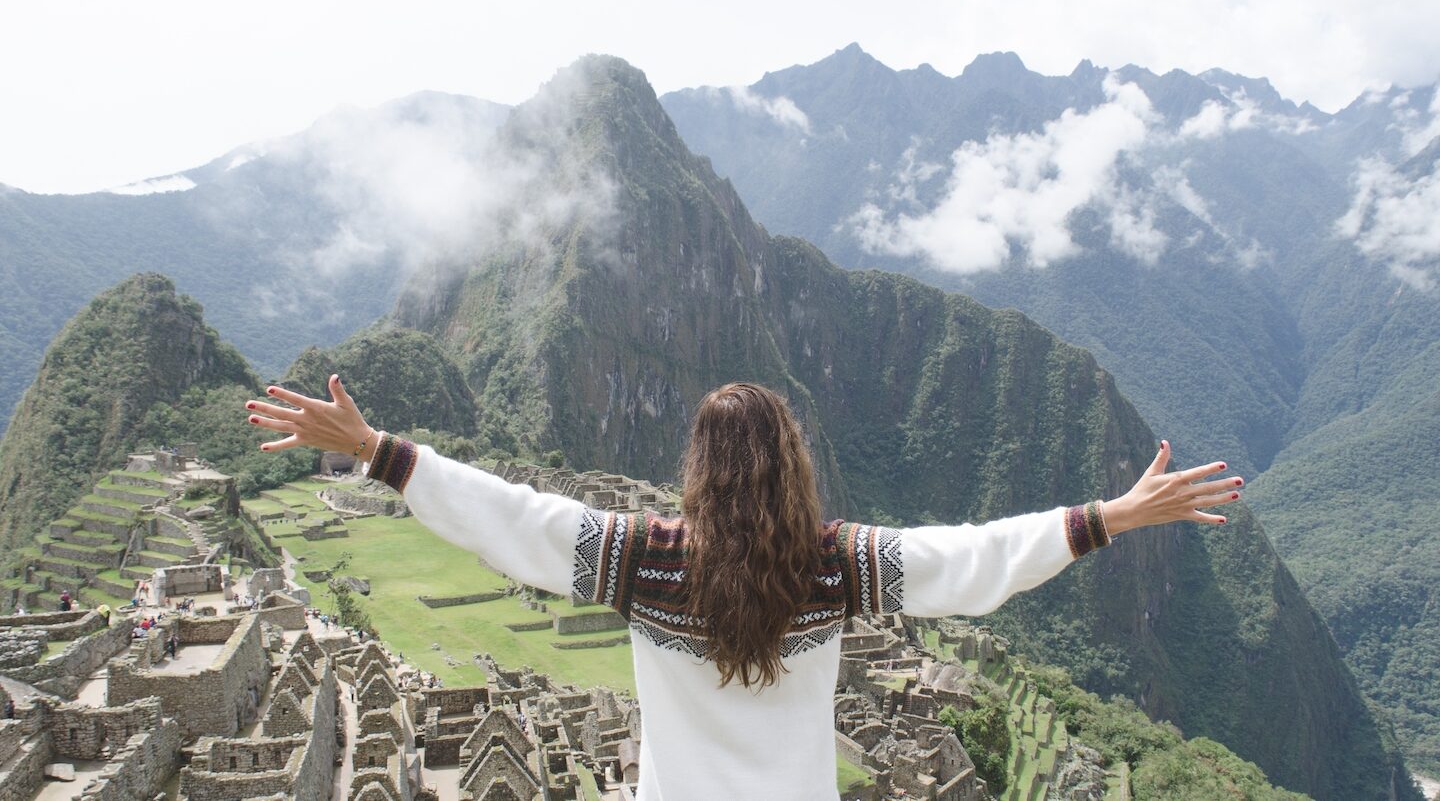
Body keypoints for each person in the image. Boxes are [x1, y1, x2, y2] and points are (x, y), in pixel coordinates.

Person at [246, 376, 1242, 801]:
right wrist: (1107, 517)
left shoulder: (641, 559)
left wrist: (380, 452)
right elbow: (971, 562)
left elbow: (513, 519)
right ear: (793, 468)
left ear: (700, 469)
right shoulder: (834, 565)